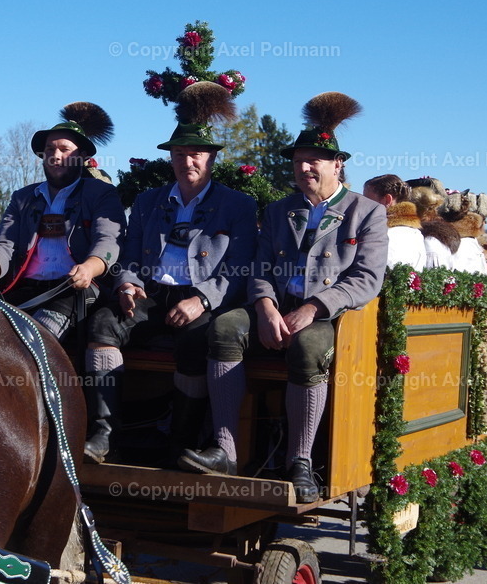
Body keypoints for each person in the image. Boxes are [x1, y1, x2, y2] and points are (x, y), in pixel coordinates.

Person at [180, 92, 387, 504]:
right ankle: (226, 451)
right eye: (297, 161)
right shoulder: (279, 210)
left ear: (337, 164)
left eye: (314, 160)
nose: (304, 167)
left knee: (308, 348)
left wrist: (314, 308)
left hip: (329, 317)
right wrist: (264, 307)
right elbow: (257, 268)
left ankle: (301, 460)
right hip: (275, 309)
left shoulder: (365, 212)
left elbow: (366, 279)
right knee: (224, 328)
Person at [82, 82, 257, 464]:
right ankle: (104, 434)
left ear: (211, 159)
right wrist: (127, 282)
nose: (187, 162)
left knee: (197, 341)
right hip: (151, 296)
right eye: (179, 154)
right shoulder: (148, 201)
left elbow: (240, 268)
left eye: (195, 154)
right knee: (103, 324)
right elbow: (127, 253)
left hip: (199, 298)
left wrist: (203, 300)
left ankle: (181, 443)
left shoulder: (238, 205)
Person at [0, 102, 126, 338]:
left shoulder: (101, 193)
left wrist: (89, 268)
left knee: (33, 336)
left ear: (82, 156)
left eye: (64, 149)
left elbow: (108, 242)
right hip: (24, 288)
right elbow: (5, 243)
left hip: (75, 290)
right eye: (50, 150)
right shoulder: (23, 197)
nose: (55, 156)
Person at [363, 174, 426, 270]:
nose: (362, 206)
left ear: (387, 200)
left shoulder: (387, 235)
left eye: (367, 201)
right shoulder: (415, 233)